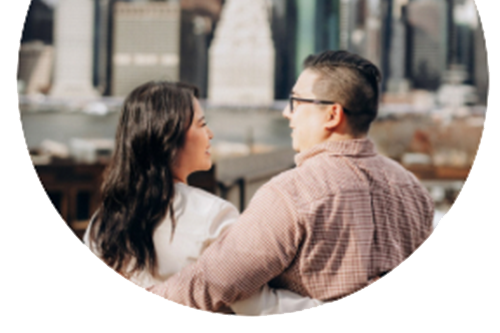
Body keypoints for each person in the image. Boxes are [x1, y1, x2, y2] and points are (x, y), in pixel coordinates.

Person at [149, 50, 435, 311]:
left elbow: (215, 281)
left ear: (332, 114)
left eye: (296, 102)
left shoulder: (292, 194)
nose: (287, 113)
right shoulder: (413, 190)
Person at [84, 80, 321, 315]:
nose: (210, 133)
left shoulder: (102, 221)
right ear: (169, 135)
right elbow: (257, 306)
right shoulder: (213, 214)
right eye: (202, 124)